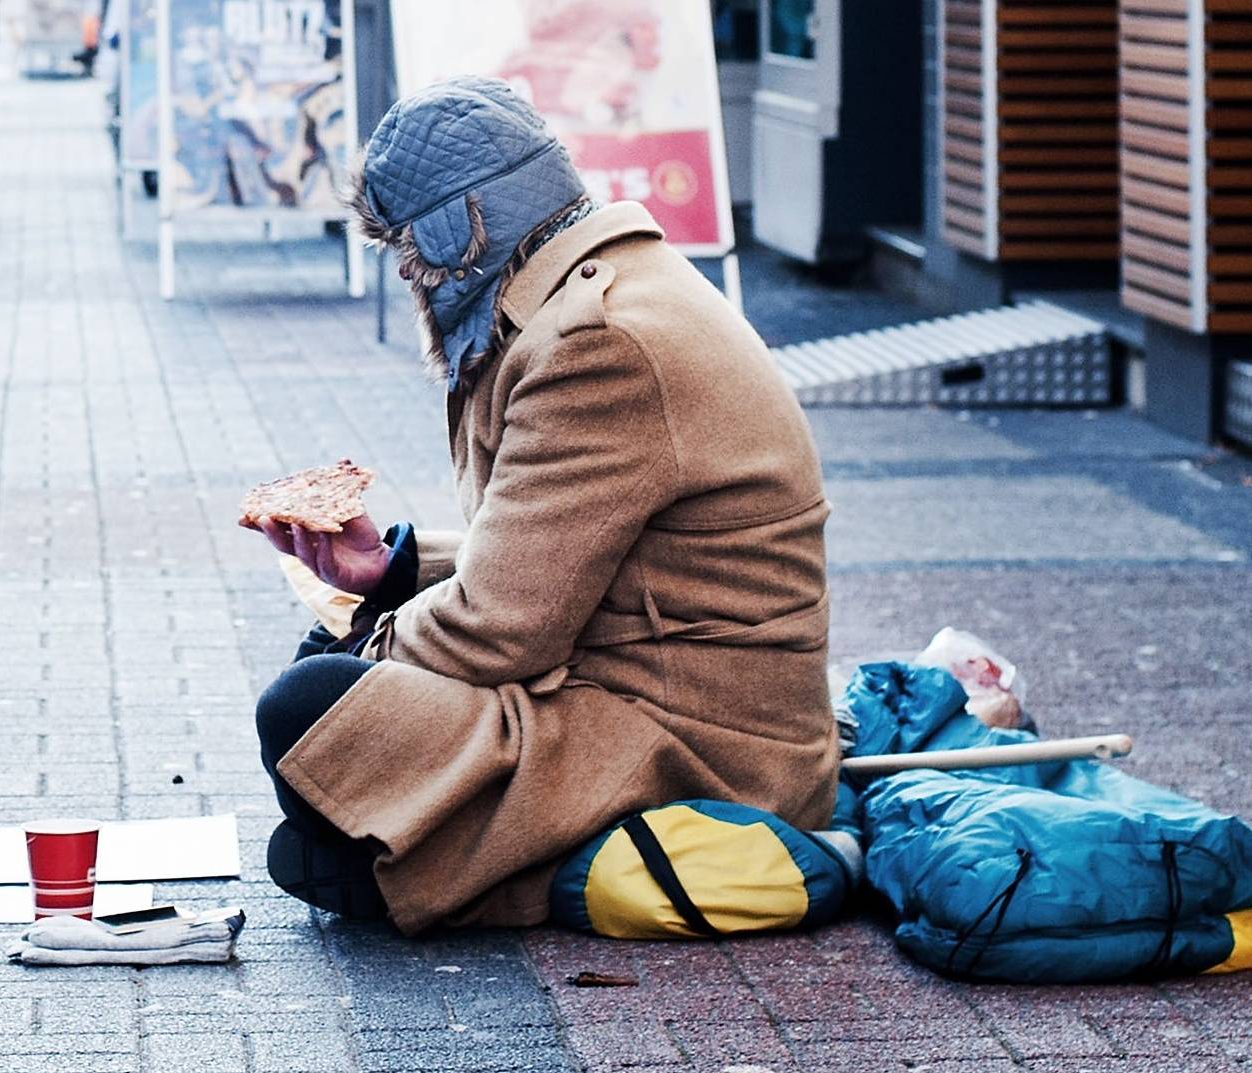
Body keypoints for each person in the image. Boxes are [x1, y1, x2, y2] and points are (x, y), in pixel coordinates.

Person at [248, 78, 838, 934]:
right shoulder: (613, 290)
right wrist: (399, 567)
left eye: (407, 255)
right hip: (662, 706)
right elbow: (571, 548)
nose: (410, 281)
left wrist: (370, 647)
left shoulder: (597, 341)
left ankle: (497, 871)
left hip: (707, 758)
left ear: (454, 237)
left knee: (305, 706)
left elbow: (502, 628)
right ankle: (426, 859)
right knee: (329, 698)